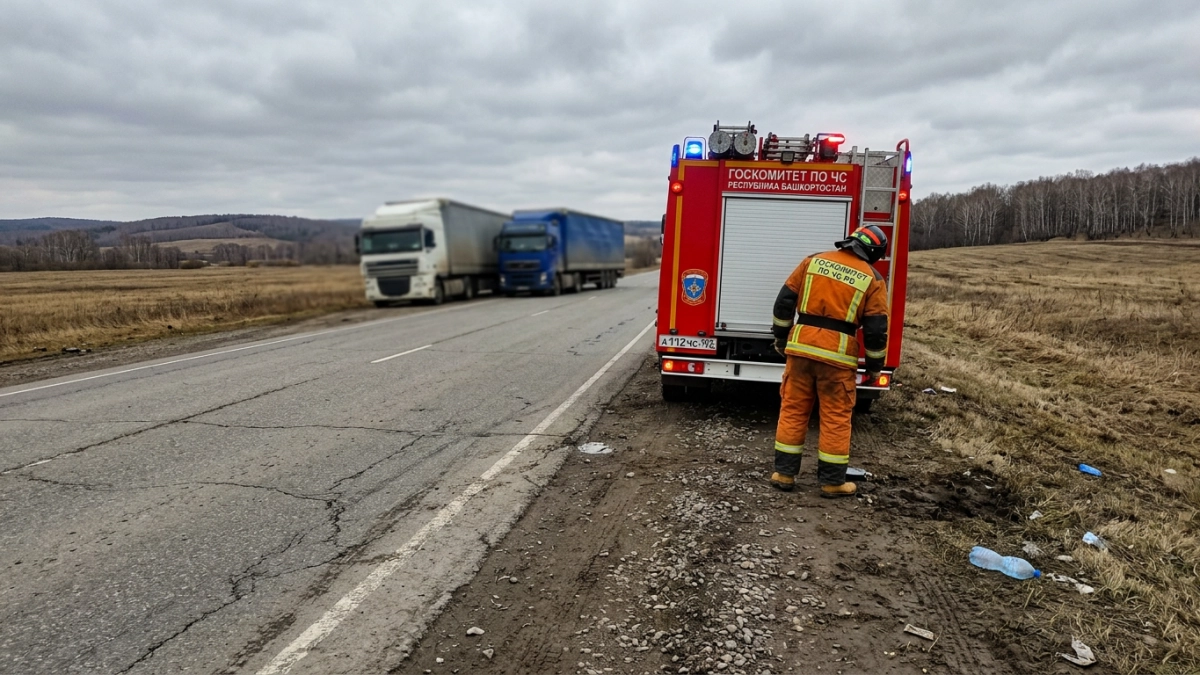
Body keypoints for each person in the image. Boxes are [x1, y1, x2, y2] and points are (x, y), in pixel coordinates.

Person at [768, 225, 890, 497]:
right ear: (873, 253)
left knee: (793, 410)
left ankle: (784, 475)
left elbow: (783, 302)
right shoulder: (873, 279)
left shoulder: (813, 261)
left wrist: (780, 338)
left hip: (800, 349)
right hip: (837, 358)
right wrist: (874, 368)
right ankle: (832, 482)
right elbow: (875, 329)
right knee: (835, 417)